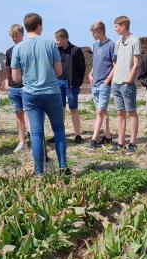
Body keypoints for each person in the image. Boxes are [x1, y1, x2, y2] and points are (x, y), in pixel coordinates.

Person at [11, 13, 70, 175]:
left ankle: (39, 171)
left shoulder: (18, 48)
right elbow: (59, 71)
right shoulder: (50, 44)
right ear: (39, 26)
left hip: (30, 94)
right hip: (51, 92)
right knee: (58, 129)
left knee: (36, 133)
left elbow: (15, 78)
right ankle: (63, 167)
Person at [108, 15, 142, 155]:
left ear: (123, 26)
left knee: (131, 112)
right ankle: (120, 142)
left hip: (127, 84)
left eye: (117, 26)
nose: (115, 29)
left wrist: (129, 80)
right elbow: (115, 63)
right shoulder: (118, 43)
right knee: (120, 113)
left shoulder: (135, 41)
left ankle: (133, 143)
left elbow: (137, 64)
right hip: (116, 83)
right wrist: (112, 79)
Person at [55, 28, 86, 143]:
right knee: (59, 109)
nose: (57, 42)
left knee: (73, 109)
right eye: (56, 40)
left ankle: (78, 135)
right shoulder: (56, 50)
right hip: (58, 83)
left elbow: (82, 69)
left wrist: (77, 83)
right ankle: (59, 134)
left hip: (71, 84)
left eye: (58, 40)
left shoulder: (76, 50)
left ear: (65, 39)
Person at [88, 21, 115, 149]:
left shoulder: (111, 45)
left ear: (100, 31)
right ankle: (108, 137)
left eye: (94, 33)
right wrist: (90, 73)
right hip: (95, 84)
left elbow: (115, 66)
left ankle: (93, 139)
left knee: (99, 112)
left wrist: (107, 82)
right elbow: (96, 62)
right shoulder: (95, 45)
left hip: (104, 84)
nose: (92, 35)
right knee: (103, 111)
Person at [5, 24, 28, 153]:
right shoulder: (9, 51)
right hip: (13, 88)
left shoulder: (27, 48)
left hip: (27, 87)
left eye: (17, 36)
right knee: (19, 116)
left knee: (30, 114)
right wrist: (6, 82)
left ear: (22, 35)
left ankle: (34, 140)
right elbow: (8, 69)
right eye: (12, 36)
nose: (14, 38)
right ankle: (22, 141)